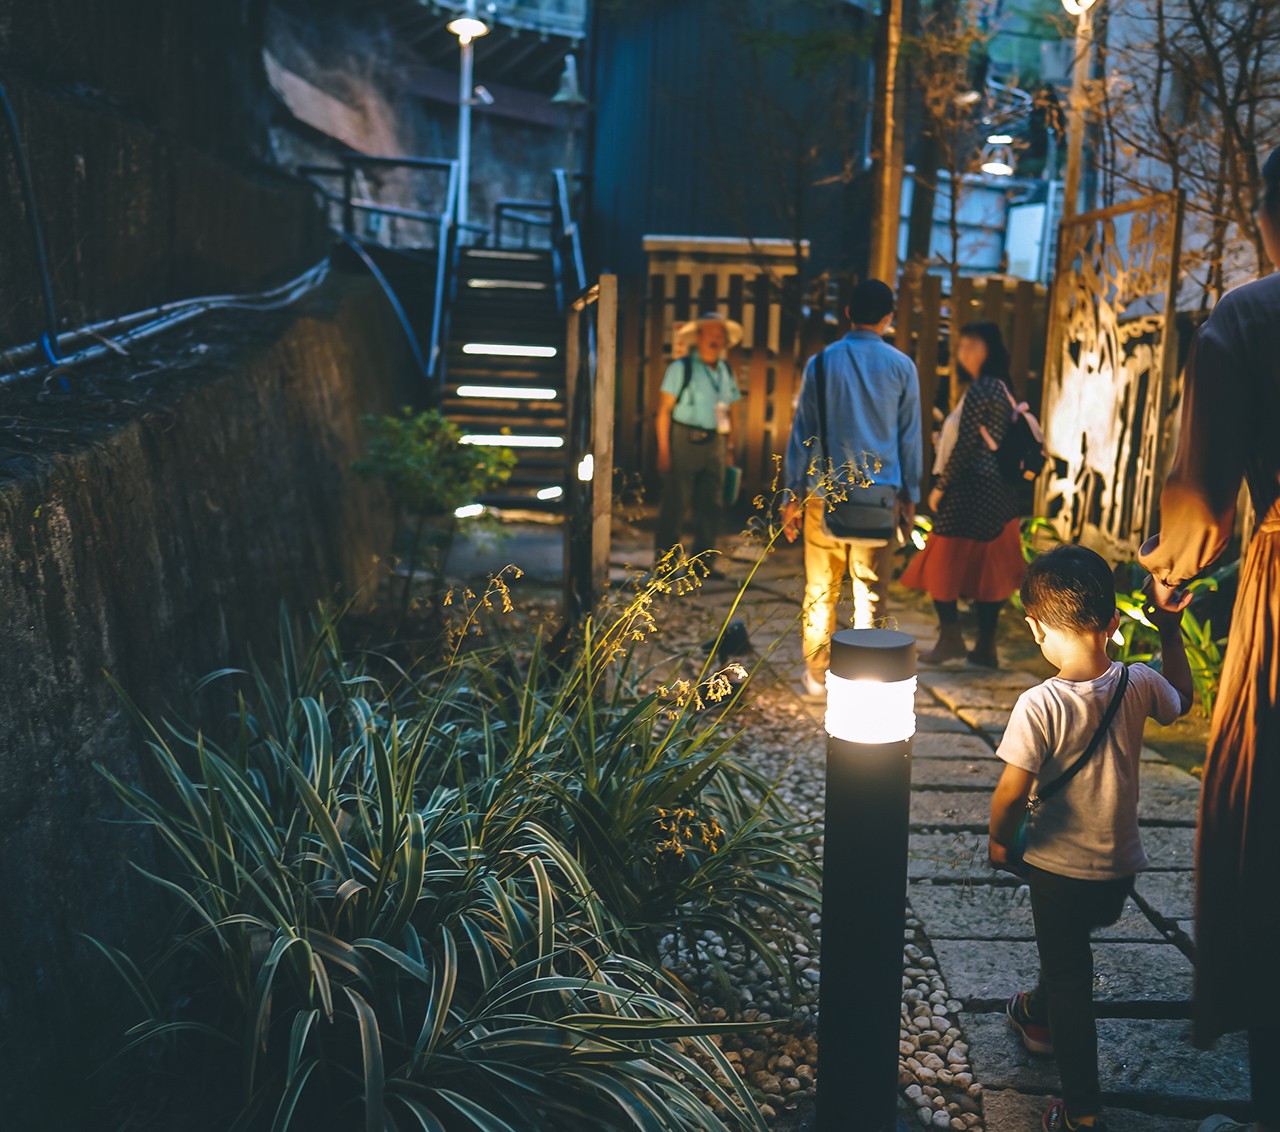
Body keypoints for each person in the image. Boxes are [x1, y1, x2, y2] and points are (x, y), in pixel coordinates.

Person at [1139, 146, 1280, 1132]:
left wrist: (1170, 572)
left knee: (1263, 829)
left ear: (1266, 214)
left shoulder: (1247, 318)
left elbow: (1197, 508)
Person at [989, 545, 1193, 1132]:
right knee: (1065, 956)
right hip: (1118, 875)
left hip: (1057, 872)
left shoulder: (1039, 705)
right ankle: (1033, 1011)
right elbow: (1182, 701)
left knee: (1071, 976)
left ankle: (1081, 1112)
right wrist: (1171, 630)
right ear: (1112, 623)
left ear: (1035, 627)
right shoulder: (1139, 683)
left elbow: (1009, 794)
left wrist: (1000, 843)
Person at [781, 278, 922, 699]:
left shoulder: (821, 363)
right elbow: (909, 438)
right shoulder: (901, 367)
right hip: (879, 497)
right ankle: (866, 681)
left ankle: (817, 675)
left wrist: (789, 493)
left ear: (847, 313)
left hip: (823, 495)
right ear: (888, 318)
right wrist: (909, 496)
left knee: (819, 590)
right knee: (872, 592)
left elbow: (801, 432)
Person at [901, 320, 1026, 668]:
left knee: (942, 560)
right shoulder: (1000, 386)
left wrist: (941, 487)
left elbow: (967, 442)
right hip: (996, 493)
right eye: (962, 346)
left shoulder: (984, 388)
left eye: (974, 345)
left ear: (991, 350)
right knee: (989, 568)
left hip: (972, 488)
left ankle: (952, 637)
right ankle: (984, 647)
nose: (965, 353)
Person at [654, 311, 743, 577]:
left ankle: (701, 566)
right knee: (675, 505)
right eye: (712, 332)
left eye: (721, 334)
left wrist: (729, 447)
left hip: (716, 441)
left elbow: (732, 410)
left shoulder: (726, 370)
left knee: (711, 506)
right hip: (684, 438)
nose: (717, 338)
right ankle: (665, 567)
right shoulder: (682, 368)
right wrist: (664, 450)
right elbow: (663, 411)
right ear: (699, 336)